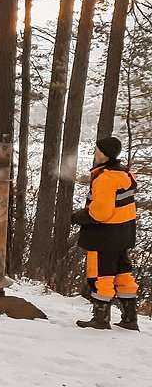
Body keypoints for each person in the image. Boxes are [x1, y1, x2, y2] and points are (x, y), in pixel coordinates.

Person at [72, 136, 140, 331]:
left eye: (97, 150)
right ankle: (129, 318)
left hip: (104, 235)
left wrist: (78, 217)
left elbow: (100, 212)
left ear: (105, 154)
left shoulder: (105, 178)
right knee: (123, 274)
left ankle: (101, 318)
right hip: (124, 233)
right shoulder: (125, 174)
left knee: (101, 274)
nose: (95, 153)